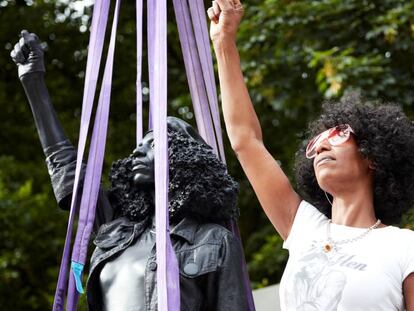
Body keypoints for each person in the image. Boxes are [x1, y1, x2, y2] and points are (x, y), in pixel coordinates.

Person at [11, 30, 248, 310]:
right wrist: (33, 81)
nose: (137, 151)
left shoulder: (215, 242)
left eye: (153, 144)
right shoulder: (115, 228)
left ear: (184, 159)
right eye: (140, 144)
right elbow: (67, 169)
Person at [207, 0, 414, 310]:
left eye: (338, 134)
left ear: (372, 155)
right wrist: (224, 42)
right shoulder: (304, 227)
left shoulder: (404, 247)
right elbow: (245, 141)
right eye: (316, 142)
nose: (320, 146)